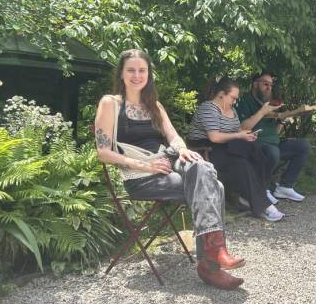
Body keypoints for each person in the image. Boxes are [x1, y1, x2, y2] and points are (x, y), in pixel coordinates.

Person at [95, 49, 244, 290]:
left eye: (142, 70)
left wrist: (182, 149)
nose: (137, 75)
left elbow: (172, 136)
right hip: (141, 175)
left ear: (148, 74)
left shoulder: (154, 105)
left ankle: (215, 256)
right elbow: (103, 152)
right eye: (131, 70)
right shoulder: (110, 104)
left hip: (167, 161)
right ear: (121, 74)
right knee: (214, 187)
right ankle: (212, 263)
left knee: (200, 165)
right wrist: (146, 164)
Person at [187, 76, 286, 222]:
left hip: (226, 147)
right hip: (206, 149)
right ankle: (263, 206)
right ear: (221, 94)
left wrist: (246, 135)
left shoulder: (231, 110)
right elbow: (214, 137)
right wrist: (239, 135)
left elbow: (236, 131)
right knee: (243, 164)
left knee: (258, 152)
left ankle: (250, 197)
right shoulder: (208, 108)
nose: (235, 101)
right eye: (233, 98)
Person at [236, 72, 311, 203]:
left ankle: (285, 187)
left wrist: (283, 120)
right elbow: (243, 128)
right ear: (255, 84)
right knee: (272, 152)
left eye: (271, 85)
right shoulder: (244, 101)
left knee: (303, 146)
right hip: (253, 145)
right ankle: (261, 190)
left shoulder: (270, 104)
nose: (269, 88)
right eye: (265, 84)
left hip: (273, 144)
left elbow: (274, 133)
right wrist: (262, 112)